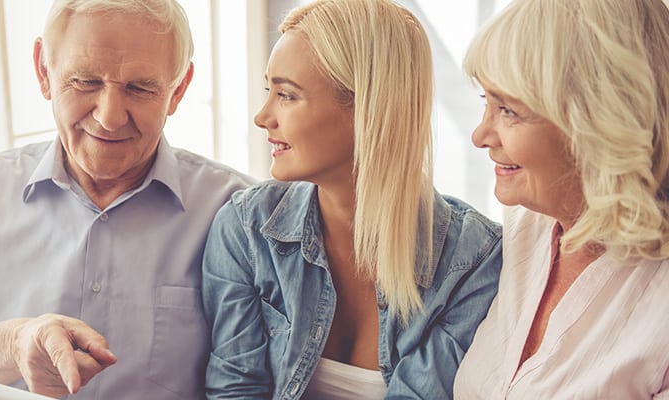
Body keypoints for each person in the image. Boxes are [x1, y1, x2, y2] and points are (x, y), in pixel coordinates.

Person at [0, 0, 254, 398]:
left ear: (178, 90)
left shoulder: (236, 214)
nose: (110, 117)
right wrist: (14, 343)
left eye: (140, 88)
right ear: (44, 70)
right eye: (85, 82)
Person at [199, 0, 503, 398]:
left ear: (367, 108)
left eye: (287, 95)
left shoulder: (473, 259)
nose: (263, 116)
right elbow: (235, 390)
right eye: (268, 91)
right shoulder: (246, 229)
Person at [451, 0, 669, 397]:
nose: (480, 136)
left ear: (599, 119)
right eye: (487, 103)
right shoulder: (524, 227)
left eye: (509, 111)